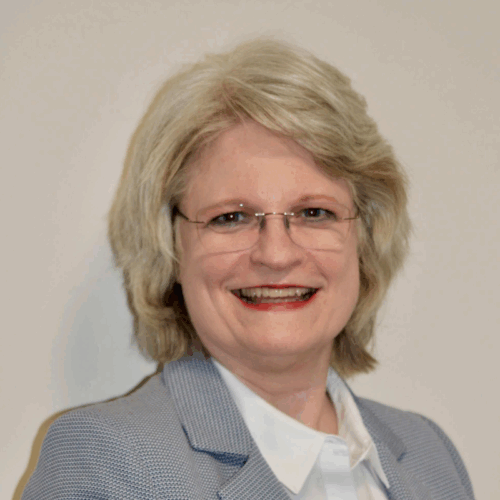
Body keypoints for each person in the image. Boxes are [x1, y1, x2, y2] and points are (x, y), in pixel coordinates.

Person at [22, 39, 475, 500]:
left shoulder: (430, 454)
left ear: (365, 238)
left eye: (314, 212)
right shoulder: (105, 461)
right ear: (170, 248)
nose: (276, 254)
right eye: (231, 217)